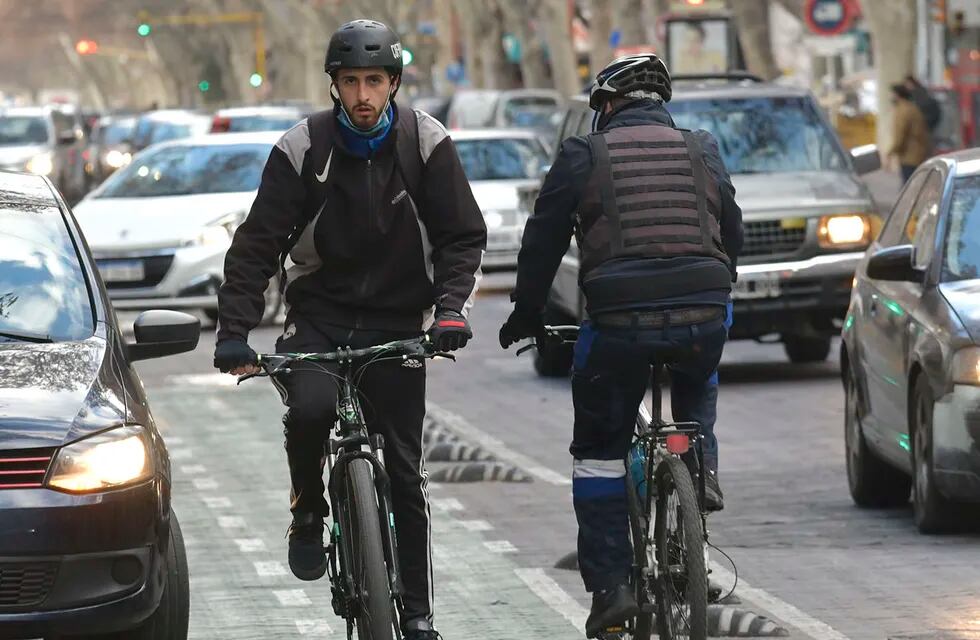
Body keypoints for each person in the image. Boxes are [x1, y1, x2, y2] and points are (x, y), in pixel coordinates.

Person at [212, 19, 486, 640]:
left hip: (397, 321)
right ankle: (308, 509)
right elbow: (256, 247)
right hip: (319, 316)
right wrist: (235, 331)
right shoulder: (302, 149)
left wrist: (448, 311)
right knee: (308, 410)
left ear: (392, 83)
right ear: (335, 86)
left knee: (408, 475)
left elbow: (461, 236)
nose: (363, 96)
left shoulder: (425, 142)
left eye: (374, 81)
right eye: (350, 82)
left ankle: (415, 614)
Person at [498, 54, 743, 638]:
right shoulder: (701, 146)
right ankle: (698, 464)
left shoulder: (583, 153)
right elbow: (731, 231)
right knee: (698, 372)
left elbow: (543, 242)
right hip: (703, 308)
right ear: (660, 105)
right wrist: (713, 284)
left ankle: (611, 590)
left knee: (600, 449)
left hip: (618, 321)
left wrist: (526, 314)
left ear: (605, 107)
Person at [887, 83, 931, 183]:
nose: (890, 97)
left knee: (909, 186)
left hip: (909, 156)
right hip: (917, 154)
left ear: (897, 95)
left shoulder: (902, 110)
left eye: (891, 94)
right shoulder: (912, 108)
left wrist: (890, 152)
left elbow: (900, 135)